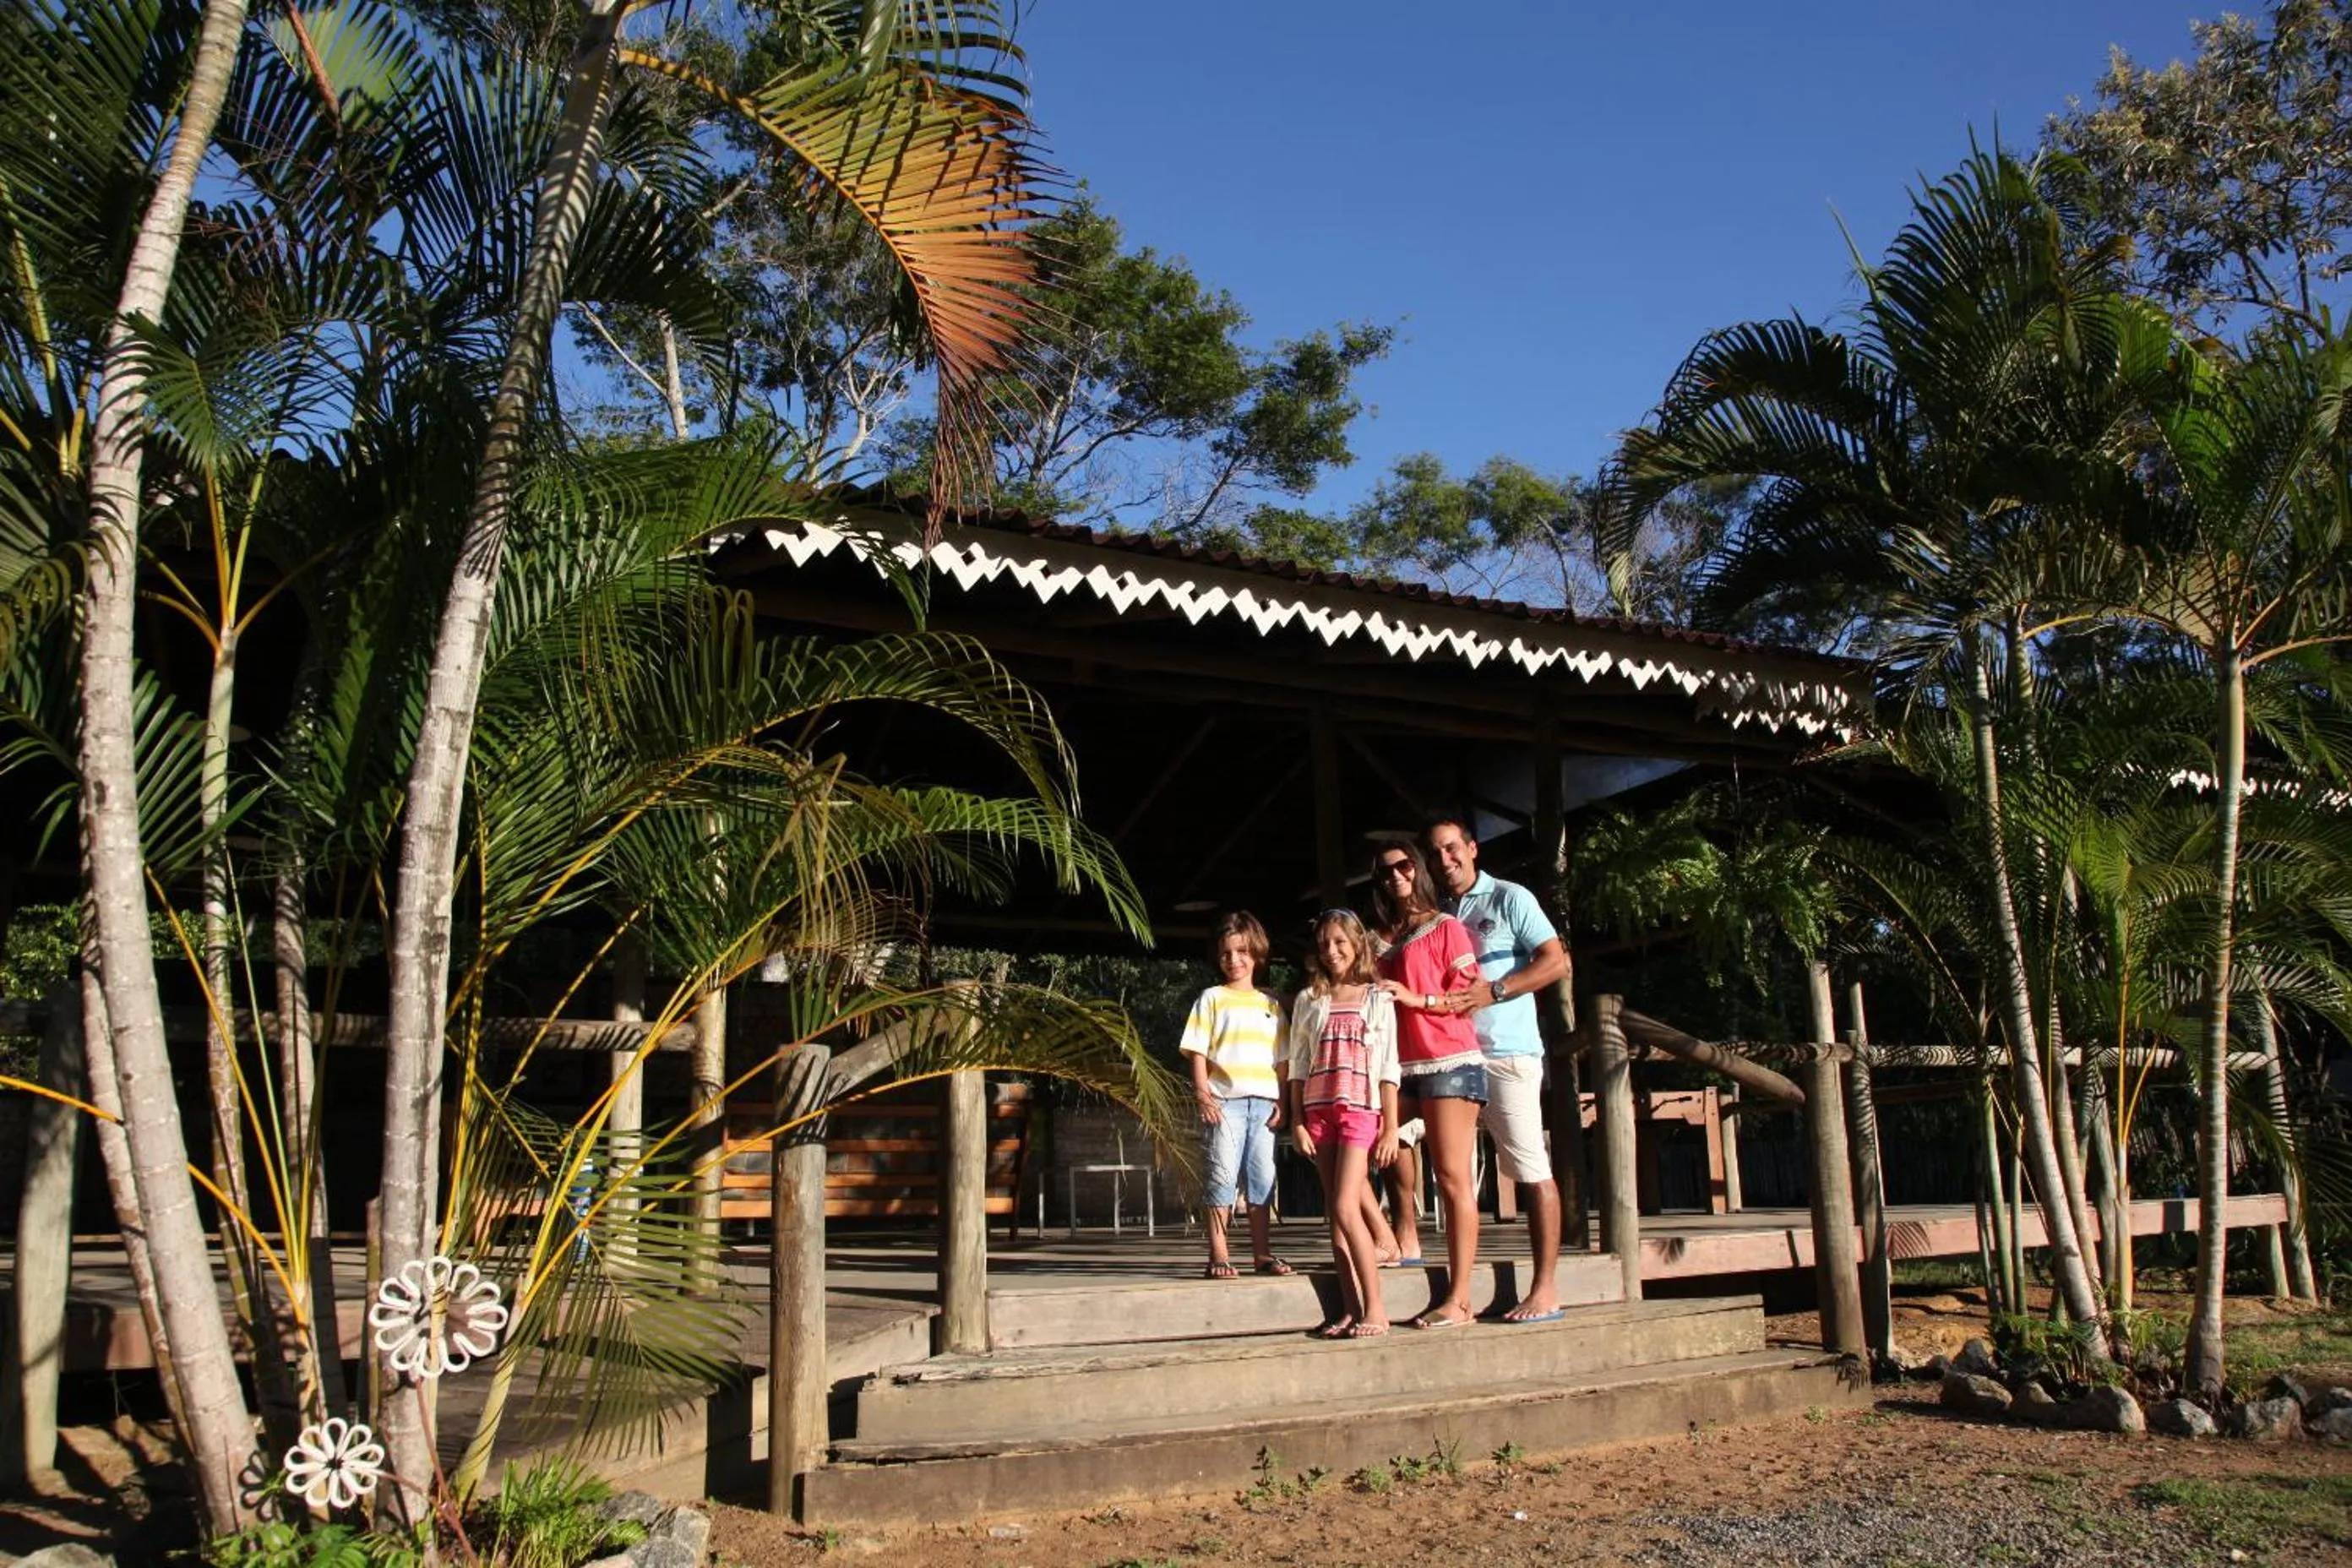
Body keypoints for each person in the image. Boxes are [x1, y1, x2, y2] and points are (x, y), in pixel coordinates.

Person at [1426, 815, 1572, 1322]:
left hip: (1508, 1052)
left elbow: (1557, 962)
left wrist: (1495, 989)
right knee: (1453, 1174)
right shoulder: (1437, 913)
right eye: (1436, 854)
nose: (1445, 861)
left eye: (1451, 849)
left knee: (1531, 1167)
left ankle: (1546, 1288)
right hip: (1454, 1056)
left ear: (1472, 848)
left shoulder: (1510, 898)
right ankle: (1456, 1292)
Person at [1368, 840, 1487, 1330]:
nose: (1395, 875)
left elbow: (1469, 997)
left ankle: (1459, 1300)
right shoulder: (1383, 939)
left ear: (1418, 869)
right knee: (1359, 1140)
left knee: (1453, 1178)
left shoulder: (1446, 927)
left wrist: (1416, 999)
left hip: (1448, 1061)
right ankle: (1392, 1239)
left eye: (1403, 865)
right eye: (1384, 872)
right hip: (1400, 1069)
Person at [1286, 907, 1401, 1338]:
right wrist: (1296, 1121)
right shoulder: (1309, 999)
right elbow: (1298, 1065)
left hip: (1359, 1110)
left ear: (1357, 946)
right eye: (1325, 944)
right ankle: (1351, 1309)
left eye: (1340, 943)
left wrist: (1390, 1126)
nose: (1332, 951)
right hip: (1318, 1110)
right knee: (1335, 1216)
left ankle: (1377, 1308)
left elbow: (1389, 1065)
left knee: (1345, 1204)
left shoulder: (1376, 998)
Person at [1180, 912, 1292, 1280]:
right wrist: (1203, 1095)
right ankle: (1219, 1253)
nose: (1234, 960)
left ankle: (1263, 1254)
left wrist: (1284, 1102)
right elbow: (1198, 1051)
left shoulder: (1271, 1006)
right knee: (1222, 1177)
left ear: (1257, 954)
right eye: (1227, 953)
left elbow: (1283, 1060)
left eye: (1242, 951)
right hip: (1224, 1103)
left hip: (1264, 1106)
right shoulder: (1211, 998)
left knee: (1262, 1179)